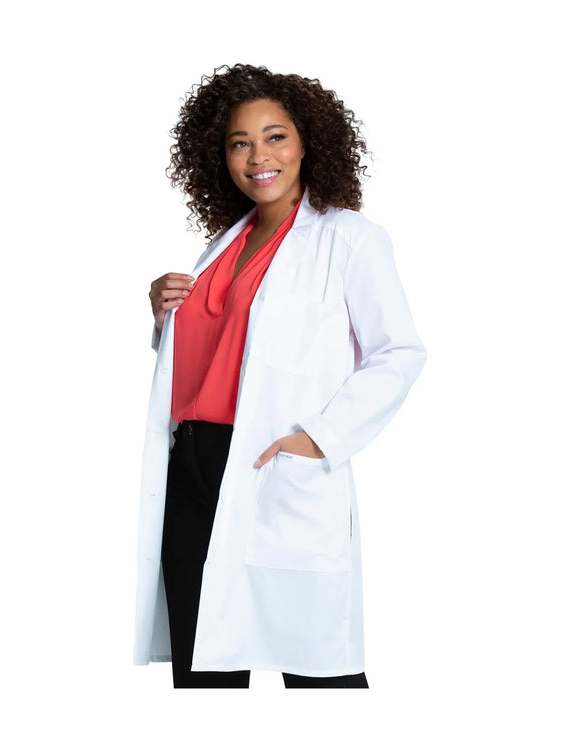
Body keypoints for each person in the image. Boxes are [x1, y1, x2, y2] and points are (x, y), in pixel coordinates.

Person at [134, 63, 427, 688]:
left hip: (272, 463)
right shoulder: (223, 243)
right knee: (203, 670)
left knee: (318, 671)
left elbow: (399, 352)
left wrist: (320, 437)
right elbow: (222, 355)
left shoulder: (347, 238)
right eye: (239, 142)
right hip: (192, 469)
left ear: (307, 142)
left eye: (275, 137)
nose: (258, 156)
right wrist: (165, 319)